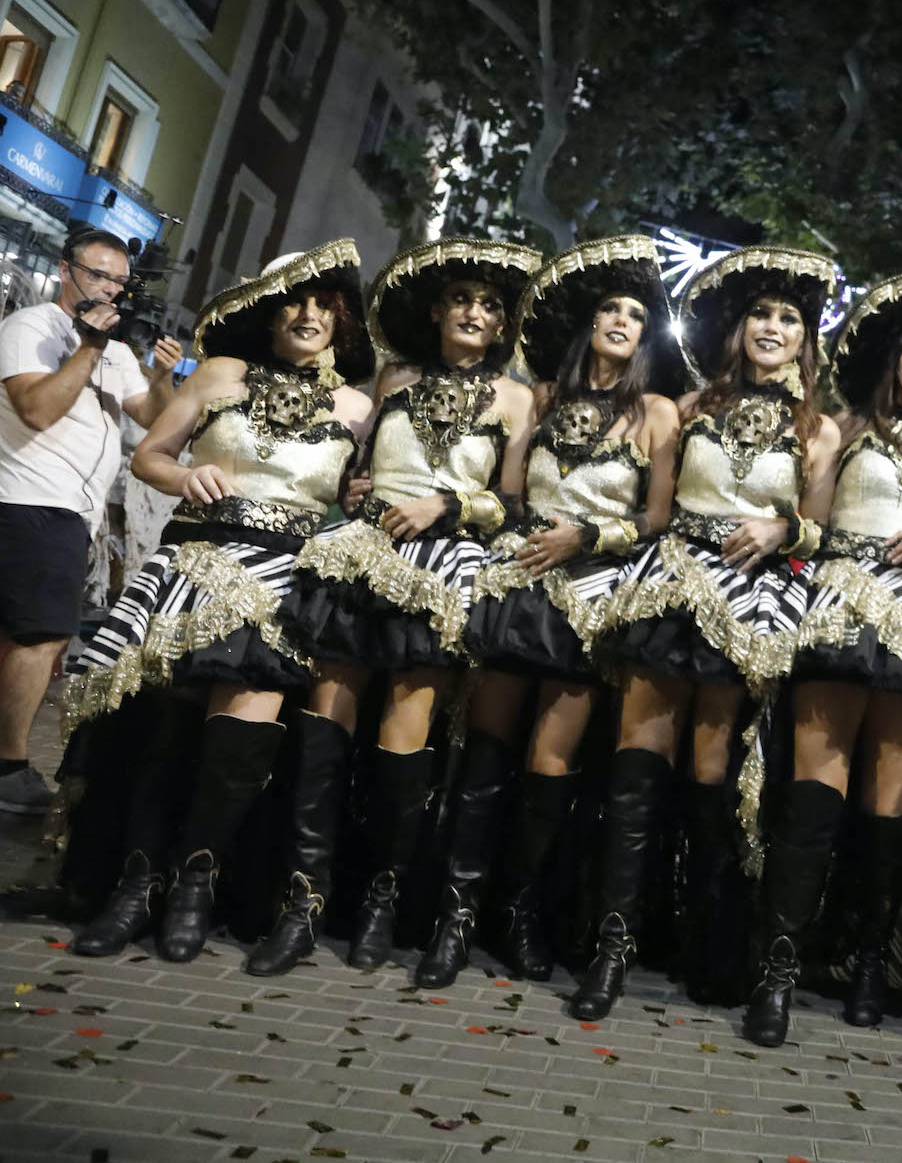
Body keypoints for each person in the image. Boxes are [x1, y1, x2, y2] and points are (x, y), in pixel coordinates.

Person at [62, 241, 376, 960]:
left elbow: (358, 499)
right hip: (194, 565)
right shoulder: (220, 373)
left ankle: (195, 885)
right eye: (292, 301)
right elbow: (149, 455)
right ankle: (134, 888)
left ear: (339, 323)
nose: (306, 313)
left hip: (281, 586)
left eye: (321, 304)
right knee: (161, 735)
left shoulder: (360, 407)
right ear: (268, 317)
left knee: (237, 748)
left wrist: (357, 498)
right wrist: (185, 476)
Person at [246, 239, 543, 978]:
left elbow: (512, 504)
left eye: (490, 306)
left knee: (402, 743)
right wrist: (356, 486)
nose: (475, 312)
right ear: (437, 308)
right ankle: (304, 902)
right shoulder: (395, 375)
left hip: (443, 568)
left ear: (503, 326)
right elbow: (364, 463)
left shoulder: (515, 397)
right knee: (324, 728)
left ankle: (380, 903)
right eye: (463, 299)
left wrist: (448, 501)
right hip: (358, 559)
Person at [582, 246, 841, 1020]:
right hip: (666, 586)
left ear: (804, 340)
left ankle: (706, 944)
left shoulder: (817, 428)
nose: (771, 326)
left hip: (751, 603)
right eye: (760, 313)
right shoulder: (687, 408)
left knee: (709, 776)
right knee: (637, 768)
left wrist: (782, 526)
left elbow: (823, 529)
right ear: (737, 329)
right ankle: (612, 945)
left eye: (788, 319)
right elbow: (655, 509)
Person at [744, 268, 902, 1046]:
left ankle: (864, 963)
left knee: (888, 807)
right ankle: (779, 969)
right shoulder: (846, 429)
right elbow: (810, 525)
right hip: (841, 606)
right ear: (893, 360)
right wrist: (784, 535)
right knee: (814, 792)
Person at [455, 235, 686, 992]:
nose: (620, 320)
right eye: (609, 309)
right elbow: (512, 490)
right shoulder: (541, 399)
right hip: (518, 579)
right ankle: (458, 915)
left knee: (550, 764)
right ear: (588, 325)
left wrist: (588, 535)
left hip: (596, 595)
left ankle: (522, 915)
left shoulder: (655, 412)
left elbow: (658, 518)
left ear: (646, 337)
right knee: (485, 752)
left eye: (634, 314)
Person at [0, 225, 180, 814]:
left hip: (71, 511)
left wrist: (158, 377)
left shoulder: (118, 348)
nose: (110, 289)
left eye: (120, 282)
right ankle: (9, 766)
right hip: (29, 498)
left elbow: (152, 421)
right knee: (43, 634)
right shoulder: (33, 327)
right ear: (65, 271)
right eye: (98, 275)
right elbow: (37, 406)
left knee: (29, 634)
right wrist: (88, 347)